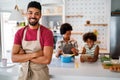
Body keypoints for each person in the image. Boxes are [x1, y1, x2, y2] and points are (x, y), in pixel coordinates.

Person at [11, 1, 54, 80]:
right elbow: (14, 58)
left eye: (36, 13)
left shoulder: (47, 33)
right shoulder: (19, 33)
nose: (33, 16)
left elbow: (47, 60)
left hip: (41, 76)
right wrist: (35, 54)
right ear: (26, 14)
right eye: (30, 13)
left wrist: (23, 56)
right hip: (23, 75)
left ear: (40, 15)